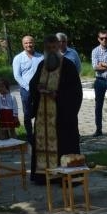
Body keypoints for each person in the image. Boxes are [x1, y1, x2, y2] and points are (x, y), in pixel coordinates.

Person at [27, 34, 83, 184]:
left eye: (54, 47)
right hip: (43, 117)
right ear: (44, 49)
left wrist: (57, 95)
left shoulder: (69, 66)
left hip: (62, 117)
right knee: (42, 145)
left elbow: (75, 92)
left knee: (64, 146)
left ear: (58, 47)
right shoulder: (41, 65)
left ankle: (66, 178)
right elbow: (32, 85)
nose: (51, 51)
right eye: (48, 48)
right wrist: (37, 88)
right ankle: (43, 176)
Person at [12, 35, 43, 139]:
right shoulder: (18, 58)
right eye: (26, 43)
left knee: (40, 112)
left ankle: (39, 133)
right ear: (23, 44)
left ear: (34, 43)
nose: (28, 45)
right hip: (26, 90)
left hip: (39, 90)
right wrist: (28, 87)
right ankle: (29, 135)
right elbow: (17, 75)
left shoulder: (41, 57)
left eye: (30, 42)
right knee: (27, 113)